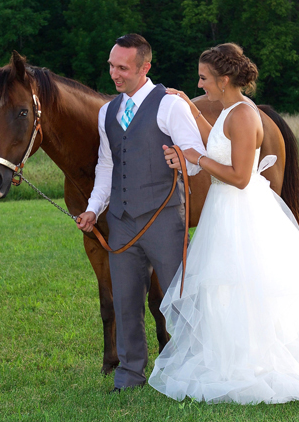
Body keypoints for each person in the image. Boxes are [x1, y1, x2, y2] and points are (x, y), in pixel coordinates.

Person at [149, 43, 299, 404]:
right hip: (224, 211)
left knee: (246, 282)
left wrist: (196, 158)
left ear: (223, 79)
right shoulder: (229, 110)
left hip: (239, 209)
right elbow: (215, 139)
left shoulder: (244, 116)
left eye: (203, 78)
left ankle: (259, 362)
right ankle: (230, 355)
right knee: (226, 286)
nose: (199, 83)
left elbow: (239, 177)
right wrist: (189, 106)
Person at [76, 34, 206, 391]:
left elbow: (196, 159)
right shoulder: (107, 112)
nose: (114, 74)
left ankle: (193, 368)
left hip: (165, 219)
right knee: (125, 301)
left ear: (144, 67)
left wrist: (182, 159)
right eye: (111, 66)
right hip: (120, 222)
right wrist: (92, 209)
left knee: (180, 297)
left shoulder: (170, 105)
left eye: (122, 68)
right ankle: (129, 374)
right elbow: (107, 166)